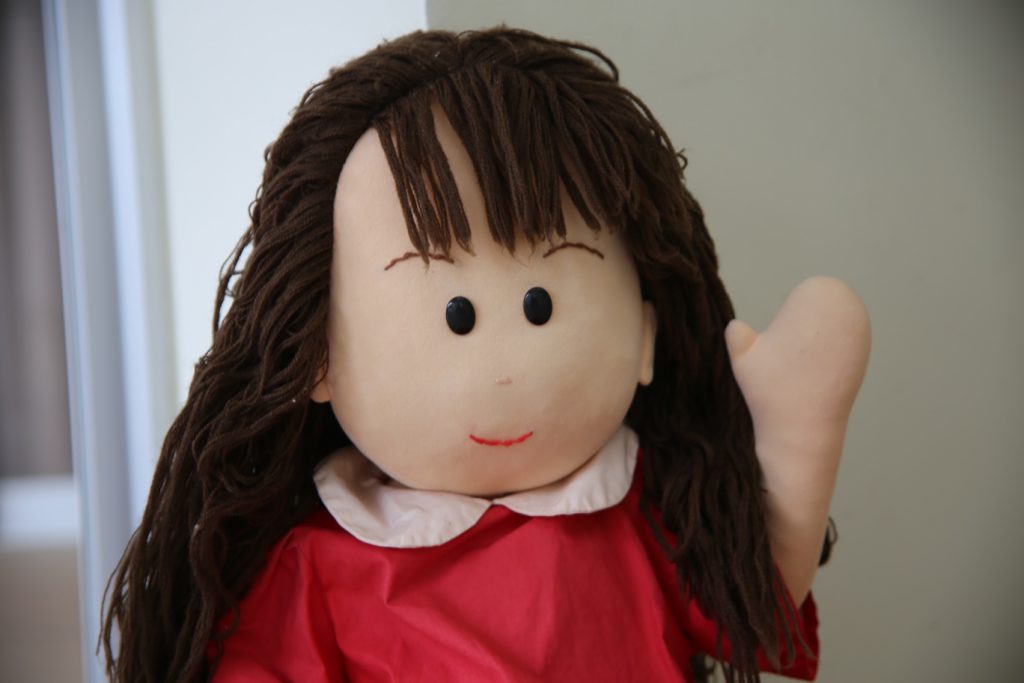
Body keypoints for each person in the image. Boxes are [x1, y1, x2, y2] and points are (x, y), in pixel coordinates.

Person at [101, 27, 870, 683]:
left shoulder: (643, 509)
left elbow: (753, 599)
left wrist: (795, 449)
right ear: (318, 362)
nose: (504, 367)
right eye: (457, 316)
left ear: (646, 336)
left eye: (540, 306)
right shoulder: (316, 564)